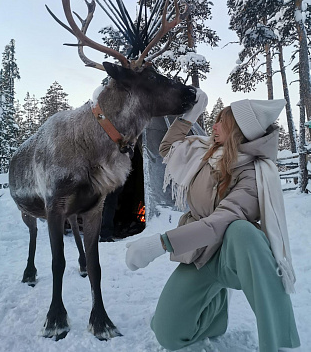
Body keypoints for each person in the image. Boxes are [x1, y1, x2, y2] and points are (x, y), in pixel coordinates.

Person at [125, 89, 300, 352]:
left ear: (239, 131)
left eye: (222, 123)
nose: (214, 126)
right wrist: (188, 116)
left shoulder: (255, 174)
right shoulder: (207, 152)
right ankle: (215, 318)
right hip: (202, 252)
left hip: (234, 255)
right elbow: (167, 148)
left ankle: (278, 344)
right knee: (168, 335)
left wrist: (160, 244)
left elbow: (220, 221)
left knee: (243, 231)